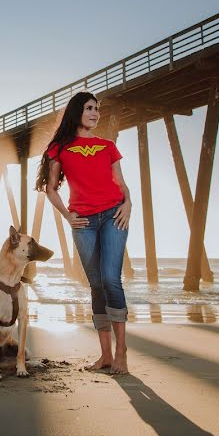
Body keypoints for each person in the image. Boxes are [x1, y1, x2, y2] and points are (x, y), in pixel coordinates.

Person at [36, 90, 131, 374]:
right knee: (96, 285)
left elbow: (121, 183)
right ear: (77, 111)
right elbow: (50, 188)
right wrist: (67, 216)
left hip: (115, 214)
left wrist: (129, 204)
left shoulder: (107, 146)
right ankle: (105, 355)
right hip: (84, 222)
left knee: (111, 279)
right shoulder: (59, 148)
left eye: (97, 109)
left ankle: (121, 350)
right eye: (89, 108)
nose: (95, 113)